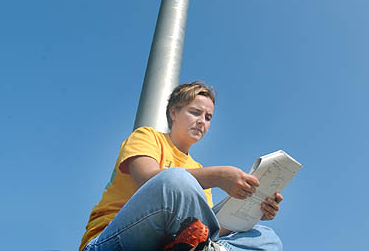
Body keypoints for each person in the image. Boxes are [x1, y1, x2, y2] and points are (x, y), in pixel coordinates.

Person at [79, 82, 284, 251]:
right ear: (173, 113)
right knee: (176, 180)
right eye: (195, 112)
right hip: (112, 241)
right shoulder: (147, 136)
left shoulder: (197, 168)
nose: (202, 122)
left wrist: (255, 212)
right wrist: (218, 175)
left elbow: (203, 228)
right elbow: (148, 178)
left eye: (208, 117)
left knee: (267, 238)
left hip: (167, 245)